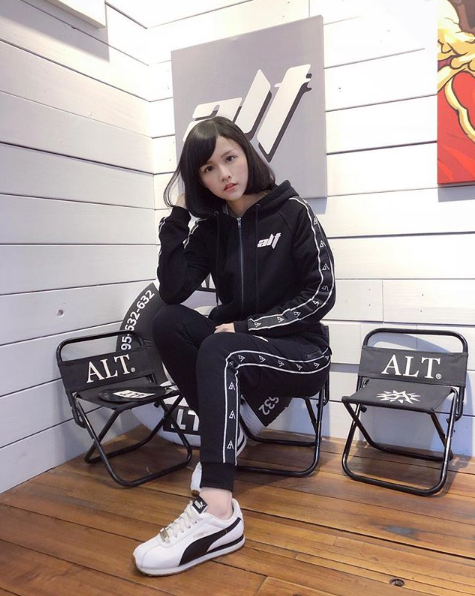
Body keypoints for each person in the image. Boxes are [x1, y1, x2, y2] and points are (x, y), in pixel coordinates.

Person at [133, 116, 335, 576]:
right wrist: (179, 215)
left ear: (247, 155)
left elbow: (322, 293)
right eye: (208, 169)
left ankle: (218, 511)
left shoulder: (293, 212)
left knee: (220, 346)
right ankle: (231, 433)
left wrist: (248, 326)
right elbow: (174, 290)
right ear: (198, 179)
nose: (224, 174)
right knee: (168, 323)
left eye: (230, 158)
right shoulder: (213, 229)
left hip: (301, 352)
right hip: (239, 347)